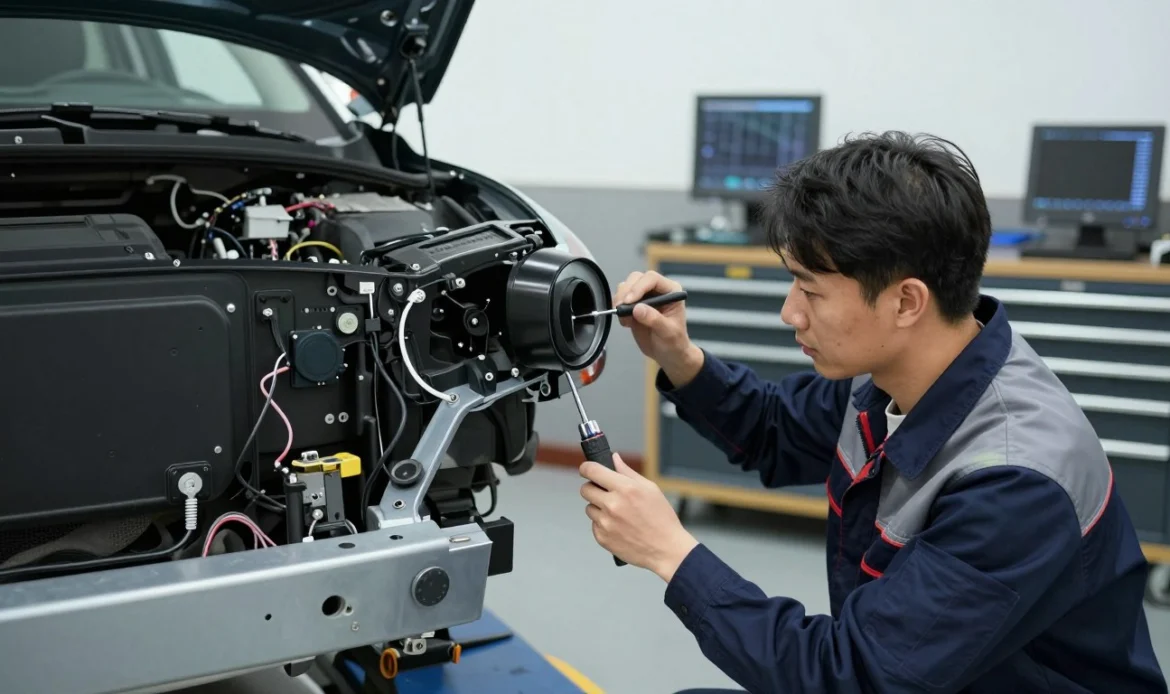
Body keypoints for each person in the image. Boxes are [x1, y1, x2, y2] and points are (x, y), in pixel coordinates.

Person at [577, 131, 1168, 693]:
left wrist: (669, 552)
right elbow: (774, 430)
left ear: (906, 301)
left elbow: (852, 678)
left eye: (809, 291)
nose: (790, 313)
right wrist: (679, 356)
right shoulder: (899, 377)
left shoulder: (1016, 483)